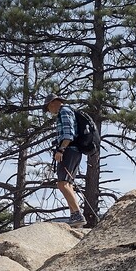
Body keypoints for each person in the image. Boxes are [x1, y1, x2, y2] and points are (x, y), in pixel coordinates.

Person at [42, 93, 85, 227]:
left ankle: (77, 214)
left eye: (48, 108)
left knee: (62, 183)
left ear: (53, 103)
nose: (49, 111)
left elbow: (68, 134)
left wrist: (61, 149)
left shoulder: (64, 112)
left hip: (69, 150)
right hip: (74, 151)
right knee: (68, 184)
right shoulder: (69, 111)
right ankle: (75, 216)